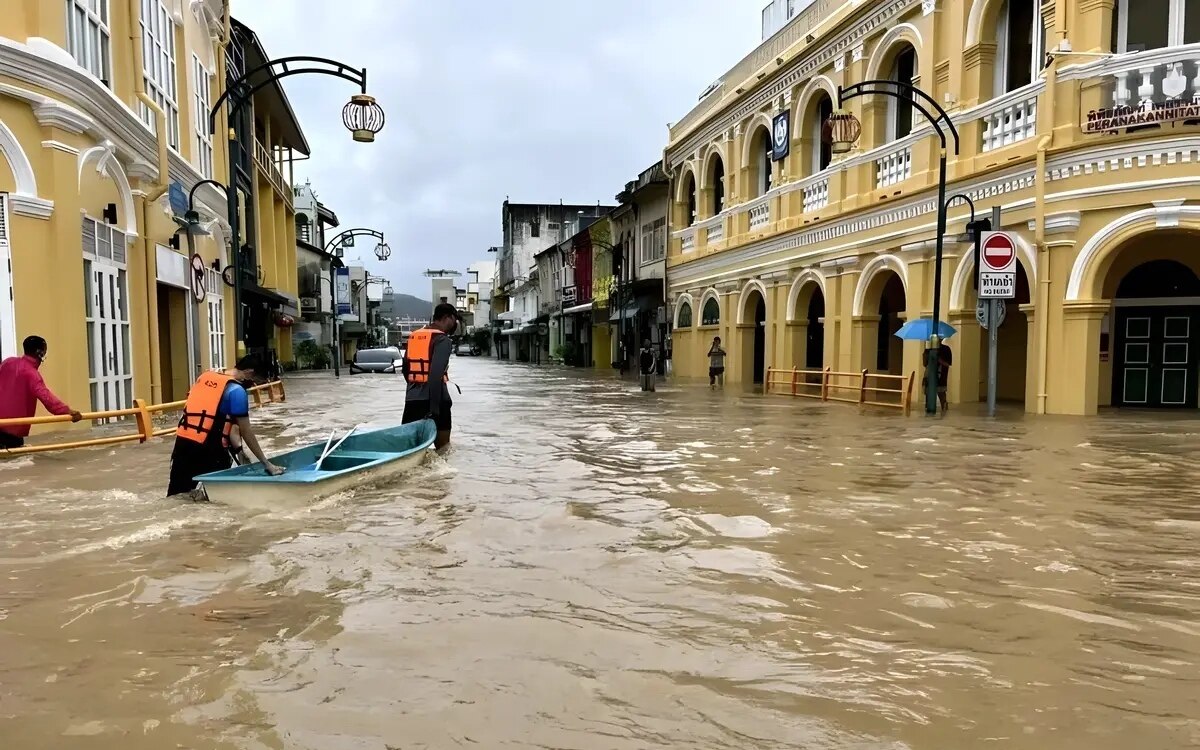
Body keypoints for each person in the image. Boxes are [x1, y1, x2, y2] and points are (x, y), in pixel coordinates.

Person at [167, 354, 284, 499]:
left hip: (183, 444)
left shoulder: (206, 377)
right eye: (256, 381)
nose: (254, 385)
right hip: (210, 451)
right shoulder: (237, 392)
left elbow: (228, 425)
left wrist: (240, 451)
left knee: (176, 496)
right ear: (249, 373)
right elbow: (245, 431)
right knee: (215, 500)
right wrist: (267, 464)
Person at [0, 336, 83, 449]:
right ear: (40, 353)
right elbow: (47, 399)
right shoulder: (31, 374)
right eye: (45, 351)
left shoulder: (7, 362)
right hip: (11, 434)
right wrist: (68, 412)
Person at [402, 303, 459, 450]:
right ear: (447, 318)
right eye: (454, 320)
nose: (455, 324)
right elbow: (435, 375)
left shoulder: (414, 336)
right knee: (443, 451)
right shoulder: (443, 340)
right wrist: (434, 410)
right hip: (436, 401)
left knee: (410, 451)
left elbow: (405, 370)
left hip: (412, 400)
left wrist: (416, 388)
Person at [923, 342, 953, 413]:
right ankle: (929, 410)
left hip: (941, 376)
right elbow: (924, 364)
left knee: (941, 393)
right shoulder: (928, 350)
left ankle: (944, 409)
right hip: (929, 375)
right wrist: (925, 356)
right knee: (928, 393)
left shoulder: (946, 349)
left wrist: (939, 359)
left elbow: (948, 364)